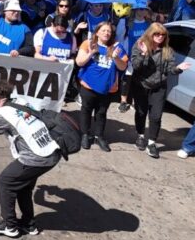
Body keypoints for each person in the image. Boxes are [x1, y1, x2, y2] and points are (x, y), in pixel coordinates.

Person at [0, 79, 61, 238]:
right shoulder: (21, 101)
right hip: (51, 151)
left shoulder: (2, 114)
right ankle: (29, 225)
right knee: (24, 187)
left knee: (5, 182)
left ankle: (10, 226)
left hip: (36, 158)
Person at [130, 23, 191, 158]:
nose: (160, 37)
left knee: (156, 116)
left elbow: (171, 69)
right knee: (141, 112)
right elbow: (135, 65)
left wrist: (178, 68)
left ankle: (151, 143)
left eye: (163, 35)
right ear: (150, 34)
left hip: (159, 87)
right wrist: (144, 53)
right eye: (157, 34)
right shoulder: (140, 45)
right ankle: (140, 136)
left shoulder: (167, 50)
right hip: (140, 85)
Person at [75, 21, 128, 152]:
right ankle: (85, 135)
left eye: (109, 31)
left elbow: (123, 66)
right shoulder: (88, 43)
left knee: (101, 113)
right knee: (86, 110)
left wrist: (116, 58)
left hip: (107, 88)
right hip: (88, 85)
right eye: (103, 30)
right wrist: (91, 53)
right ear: (97, 32)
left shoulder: (117, 47)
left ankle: (99, 136)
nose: (106, 33)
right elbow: (79, 62)